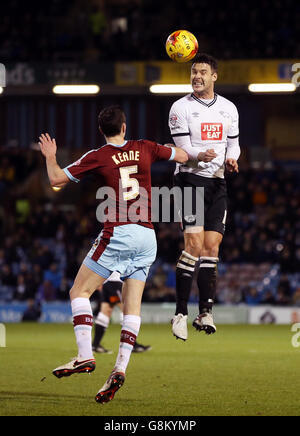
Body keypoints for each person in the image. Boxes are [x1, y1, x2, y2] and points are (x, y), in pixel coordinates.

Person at [39, 105, 188, 404]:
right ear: (124, 127)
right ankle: (119, 368)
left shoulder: (98, 156)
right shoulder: (144, 147)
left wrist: (50, 156)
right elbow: (182, 156)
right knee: (131, 308)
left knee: (78, 292)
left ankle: (85, 355)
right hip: (148, 236)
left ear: (101, 131)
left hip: (119, 231)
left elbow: (56, 179)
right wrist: (183, 151)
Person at [168, 53, 240, 341]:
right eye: (193, 71)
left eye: (202, 72)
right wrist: (201, 155)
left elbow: (233, 146)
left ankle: (205, 312)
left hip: (217, 182)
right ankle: (180, 313)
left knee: (212, 247)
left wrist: (232, 160)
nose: (196, 76)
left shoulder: (229, 109)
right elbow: (183, 151)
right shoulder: (179, 108)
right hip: (188, 180)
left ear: (214, 76)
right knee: (194, 245)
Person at [92, 271, 151, 354]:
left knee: (105, 312)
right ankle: (132, 345)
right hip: (116, 282)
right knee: (127, 310)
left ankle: (95, 345)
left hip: (108, 282)